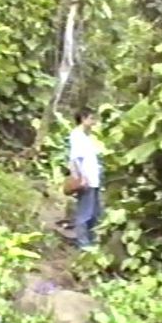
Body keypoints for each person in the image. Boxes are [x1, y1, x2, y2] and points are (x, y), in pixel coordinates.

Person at [69, 107, 102, 249]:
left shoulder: (85, 136)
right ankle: (83, 243)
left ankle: (91, 240)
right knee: (85, 213)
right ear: (83, 118)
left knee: (95, 212)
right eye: (91, 118)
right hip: (87, 179)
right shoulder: (77, 135)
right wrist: (82, 177)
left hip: (93, 179)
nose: (93, 121)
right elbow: (75, 159)